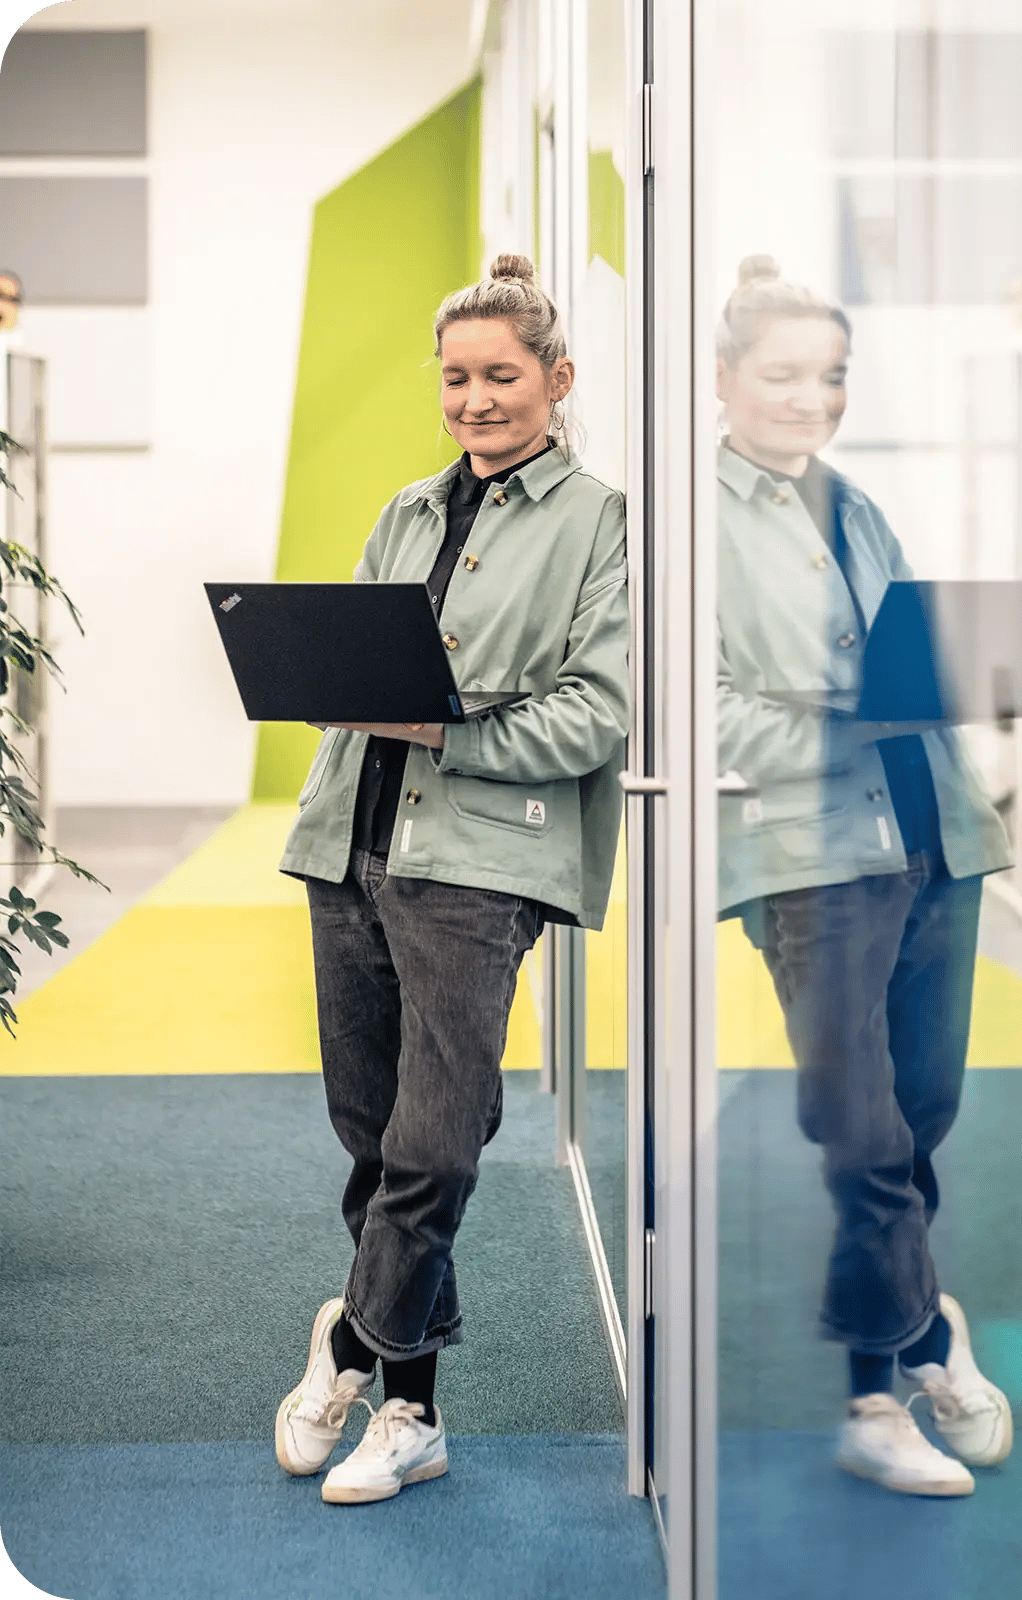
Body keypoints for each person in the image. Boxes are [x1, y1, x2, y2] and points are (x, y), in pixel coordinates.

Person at [273, 253, 630, 1505]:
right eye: (457, 378)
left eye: (501, 375)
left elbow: (599, 711)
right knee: (373, 1142)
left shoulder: (607, 524)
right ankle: (413, 1408)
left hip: (480, 863)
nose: (476, 400)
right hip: (349, 841)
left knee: (442, 1139)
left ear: (557, 379)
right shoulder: (407, 511)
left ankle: (352, 1343)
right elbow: (359, 655)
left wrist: (446, 729)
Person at [714, 255, 1014, 1498]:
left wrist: (979, 673)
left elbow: (915, 657)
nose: (809, 398)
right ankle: (895, 1376)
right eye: (783, 374)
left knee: (919, 1116)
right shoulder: (681, 524)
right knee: (859, 1131)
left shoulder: (857, 506)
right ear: (722, 378)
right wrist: (849, 724)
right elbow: (694, 711)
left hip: (936, 840)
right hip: (810, 857)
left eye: (829, 376)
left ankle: (903, 1347)